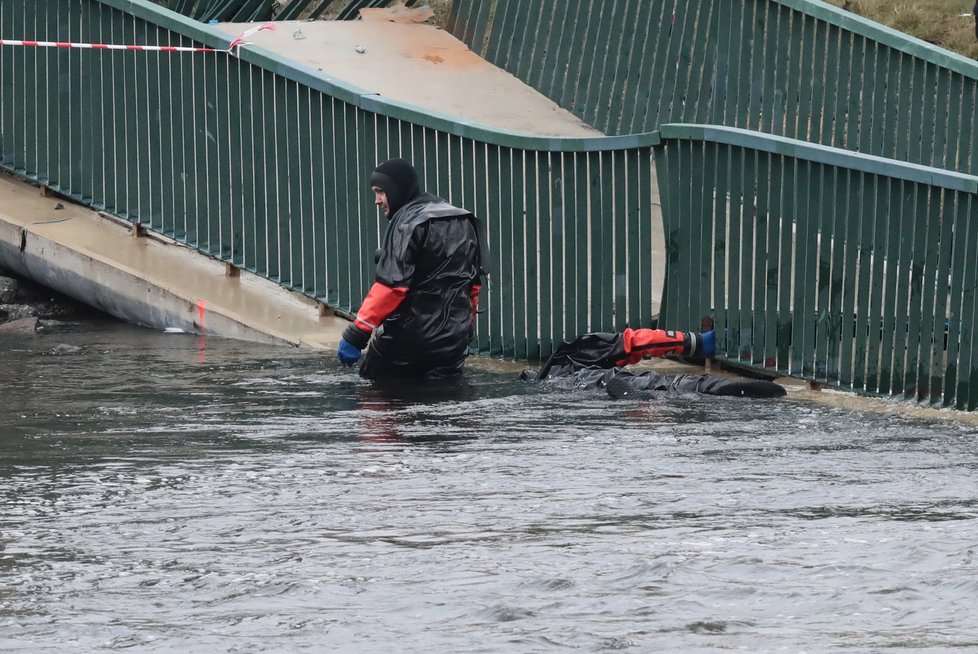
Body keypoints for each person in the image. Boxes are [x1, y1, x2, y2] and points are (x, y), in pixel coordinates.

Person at [337, 158, 486, 380]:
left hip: (405, 344)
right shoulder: (463, 218)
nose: (377, 200)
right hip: (452, 344)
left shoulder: (407, 221)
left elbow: (391, 287)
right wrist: (468, 326)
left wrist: (356, 334)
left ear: (396, 189)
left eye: (380, 191)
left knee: (377, 401)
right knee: (448, 403)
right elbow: (472, 284)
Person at [526, 324, 786, 399]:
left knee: (656, 383)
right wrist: (695, 342)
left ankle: (708, 387)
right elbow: (637, 342)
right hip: (598, 381)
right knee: (663, 382)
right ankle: (709, 386)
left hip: (590, 387)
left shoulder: (550, 374)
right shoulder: (570, 353)